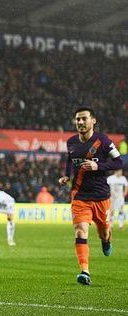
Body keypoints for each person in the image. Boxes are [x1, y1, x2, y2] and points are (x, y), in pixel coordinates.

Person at [58, 107, 123, 286]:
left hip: (101, 196)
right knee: (80, 230)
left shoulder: (102, 141)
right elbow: (70, 161)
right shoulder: (71, 142)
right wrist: (66, 176)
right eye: (77, 119)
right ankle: (85, 271)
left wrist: (98, 166)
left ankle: (106, 240)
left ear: (93, 121)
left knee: (104, 233)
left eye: (84, 119)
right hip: (80, 196)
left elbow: (120, 161)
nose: (80, 122)